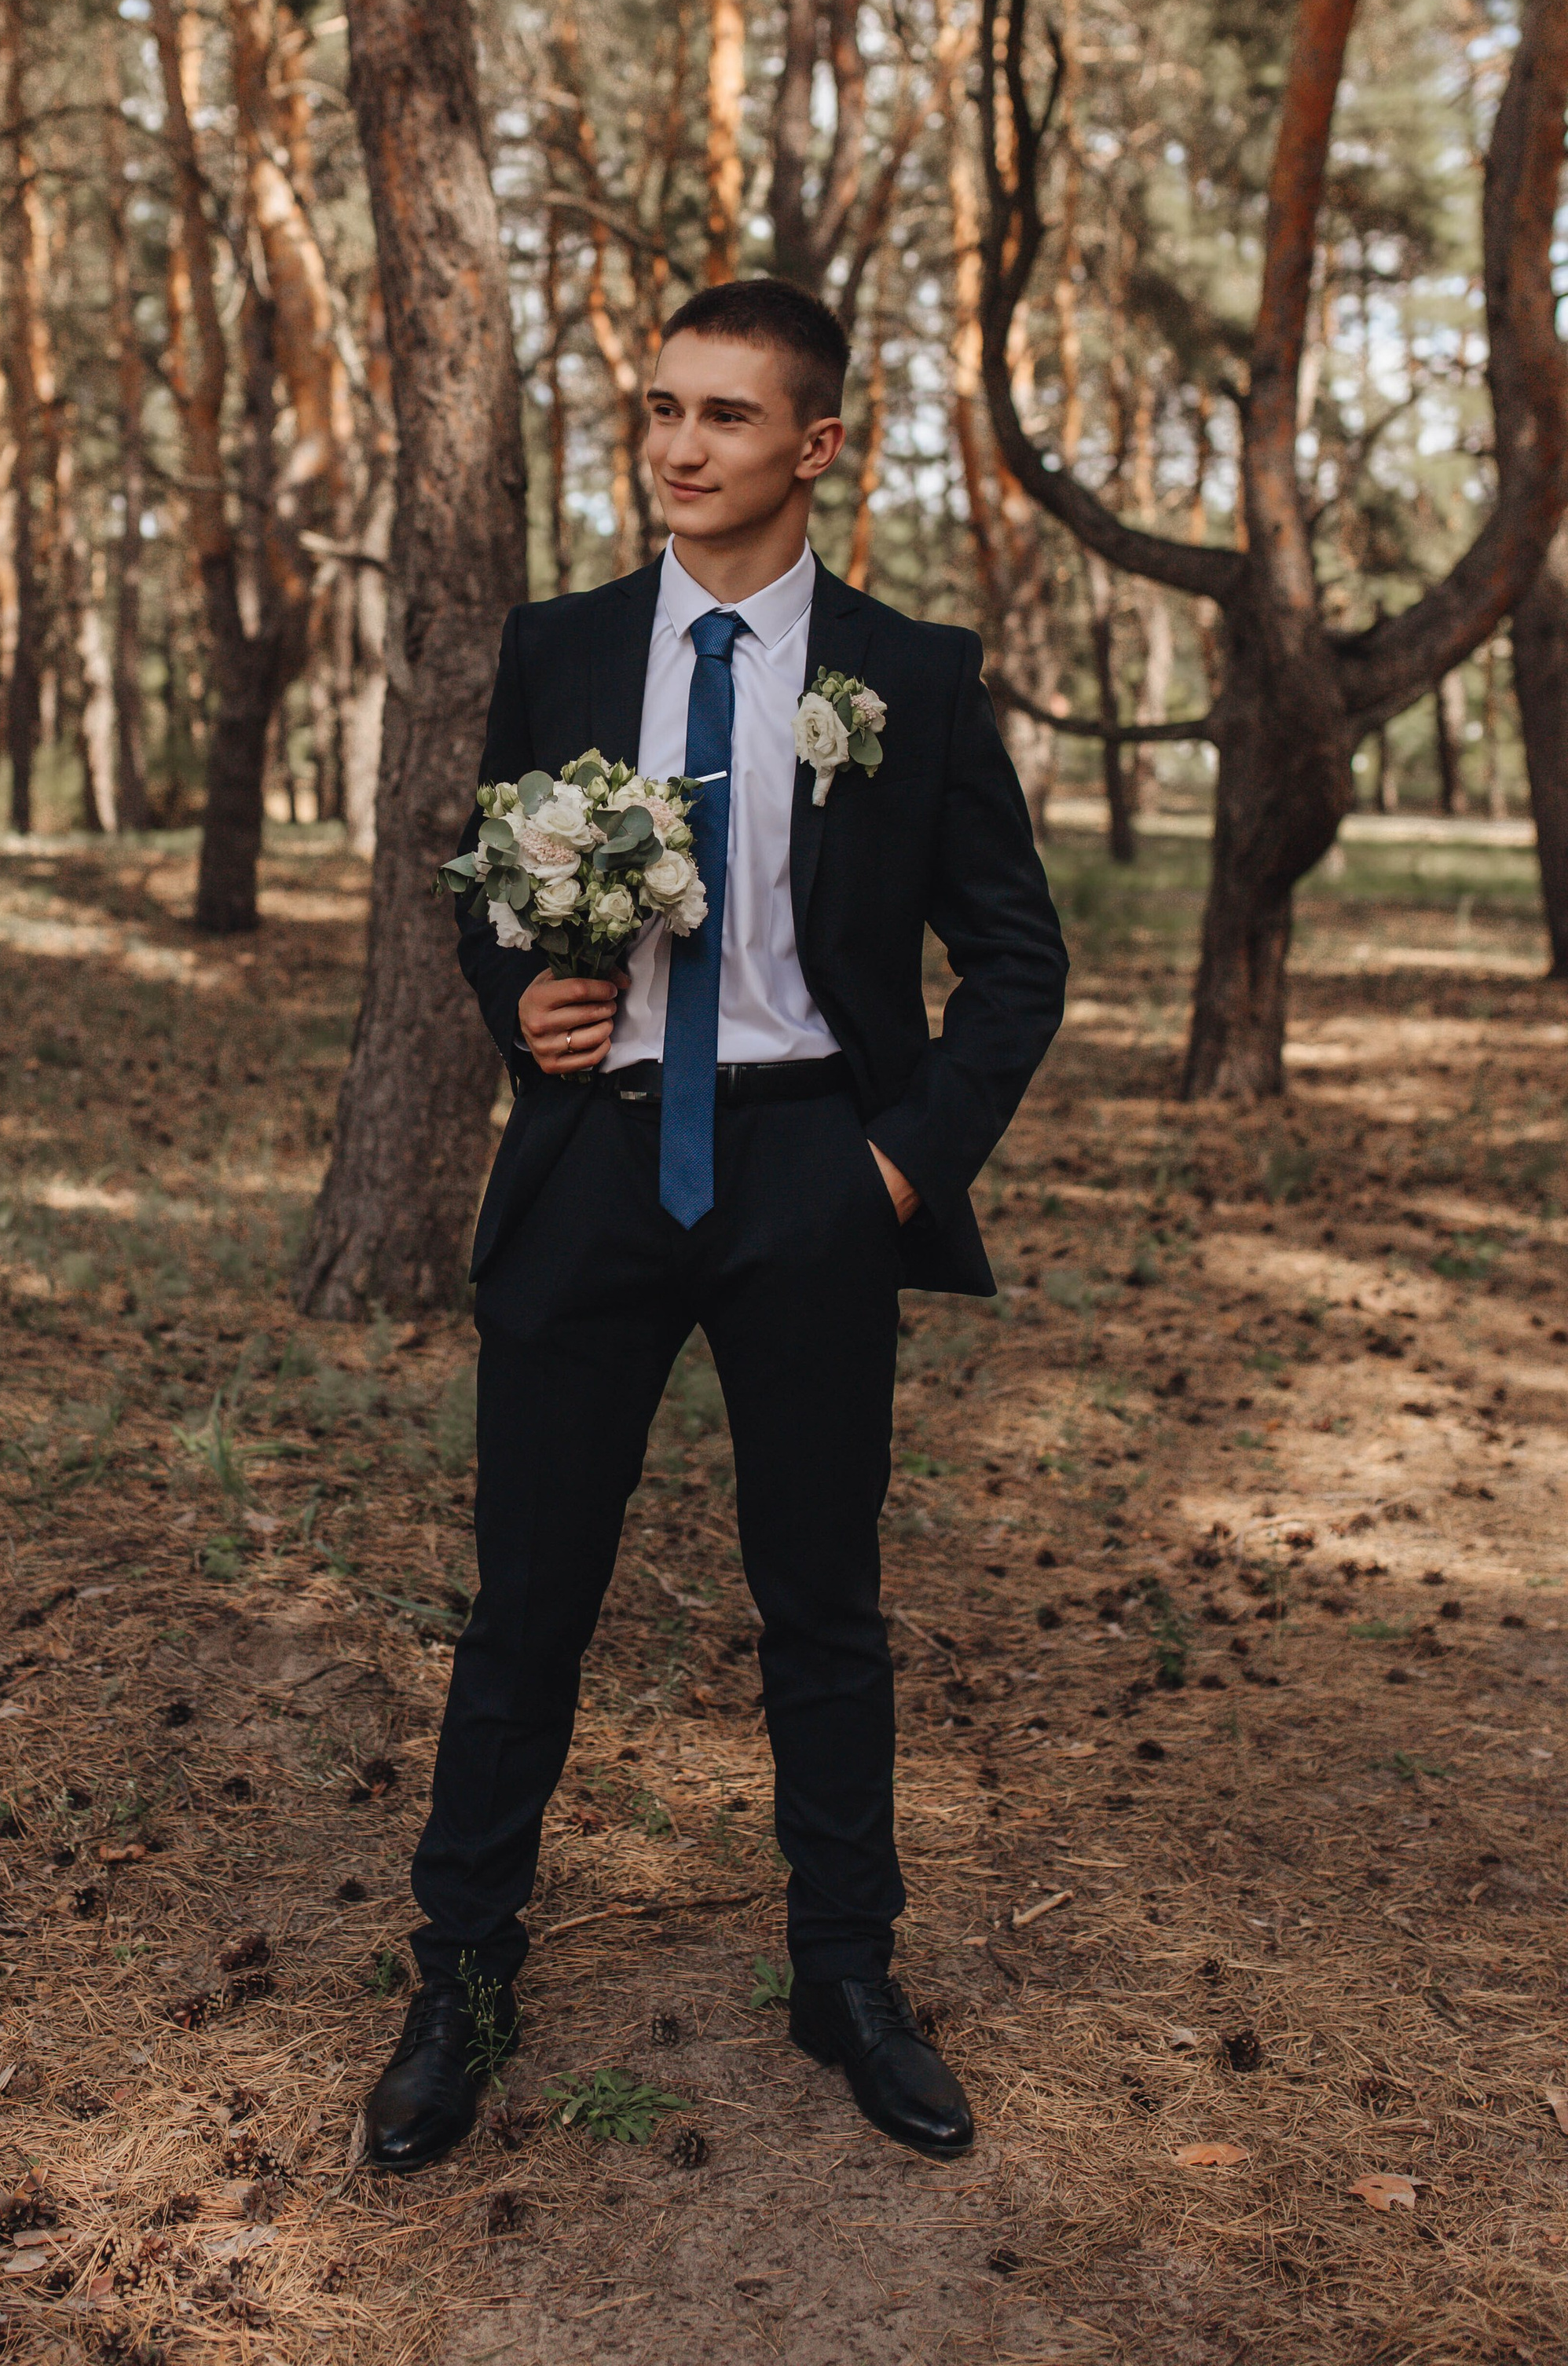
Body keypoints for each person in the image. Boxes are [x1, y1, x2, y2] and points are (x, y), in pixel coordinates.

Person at [361, 276, 1068, 2172]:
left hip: (806, 1180)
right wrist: (520, 995)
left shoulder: (904, 680)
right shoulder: (562, 646)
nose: (678, 446)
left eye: (726, 417)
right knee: (526, 1604)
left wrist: (898, 1169)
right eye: (661, 409)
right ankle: (461, 1983)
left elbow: (1013, 959)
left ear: (815, 446)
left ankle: (845, 1978)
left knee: (820, 1607)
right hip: (591, 1172)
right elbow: (481, 895)